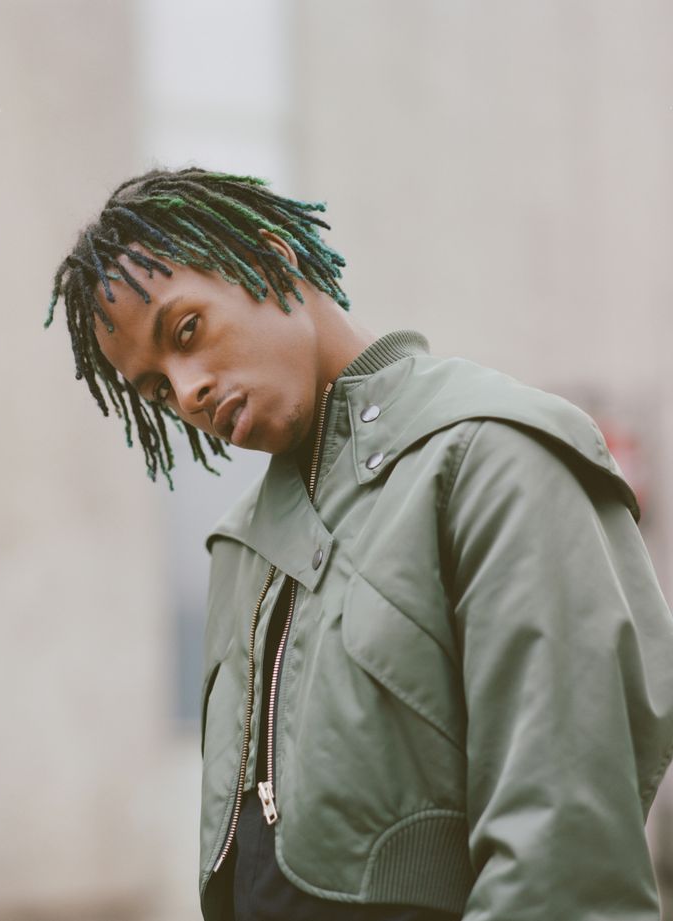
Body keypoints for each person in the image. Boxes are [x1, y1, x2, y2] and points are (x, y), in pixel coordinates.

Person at [47, 167, 673, 921]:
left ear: (274, 257)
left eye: (186, 331)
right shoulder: (239, 549)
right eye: (155, 391)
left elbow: (565, 866)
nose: (187, 392)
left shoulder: (492, 456)